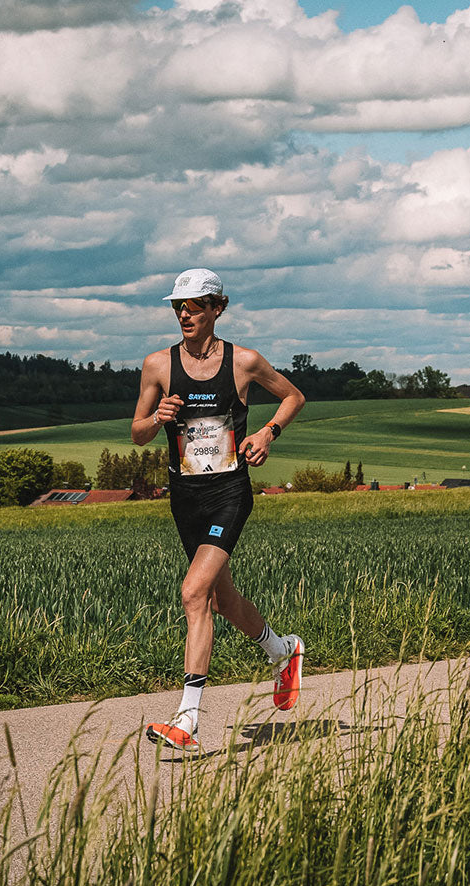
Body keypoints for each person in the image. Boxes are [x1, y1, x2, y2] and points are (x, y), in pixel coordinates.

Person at [131, 267, 306, 752]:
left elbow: (294, 396)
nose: (184, 314)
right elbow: (138, 432)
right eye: (177, 307)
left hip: (230, 492)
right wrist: (156, 418)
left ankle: (187, 718)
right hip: (184, 497)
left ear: (217, 308)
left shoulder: (244, 362)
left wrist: (267, 433)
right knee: (222, 601)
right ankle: (282, 649)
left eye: (194, 306)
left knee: (193, 593)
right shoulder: (157, 366)